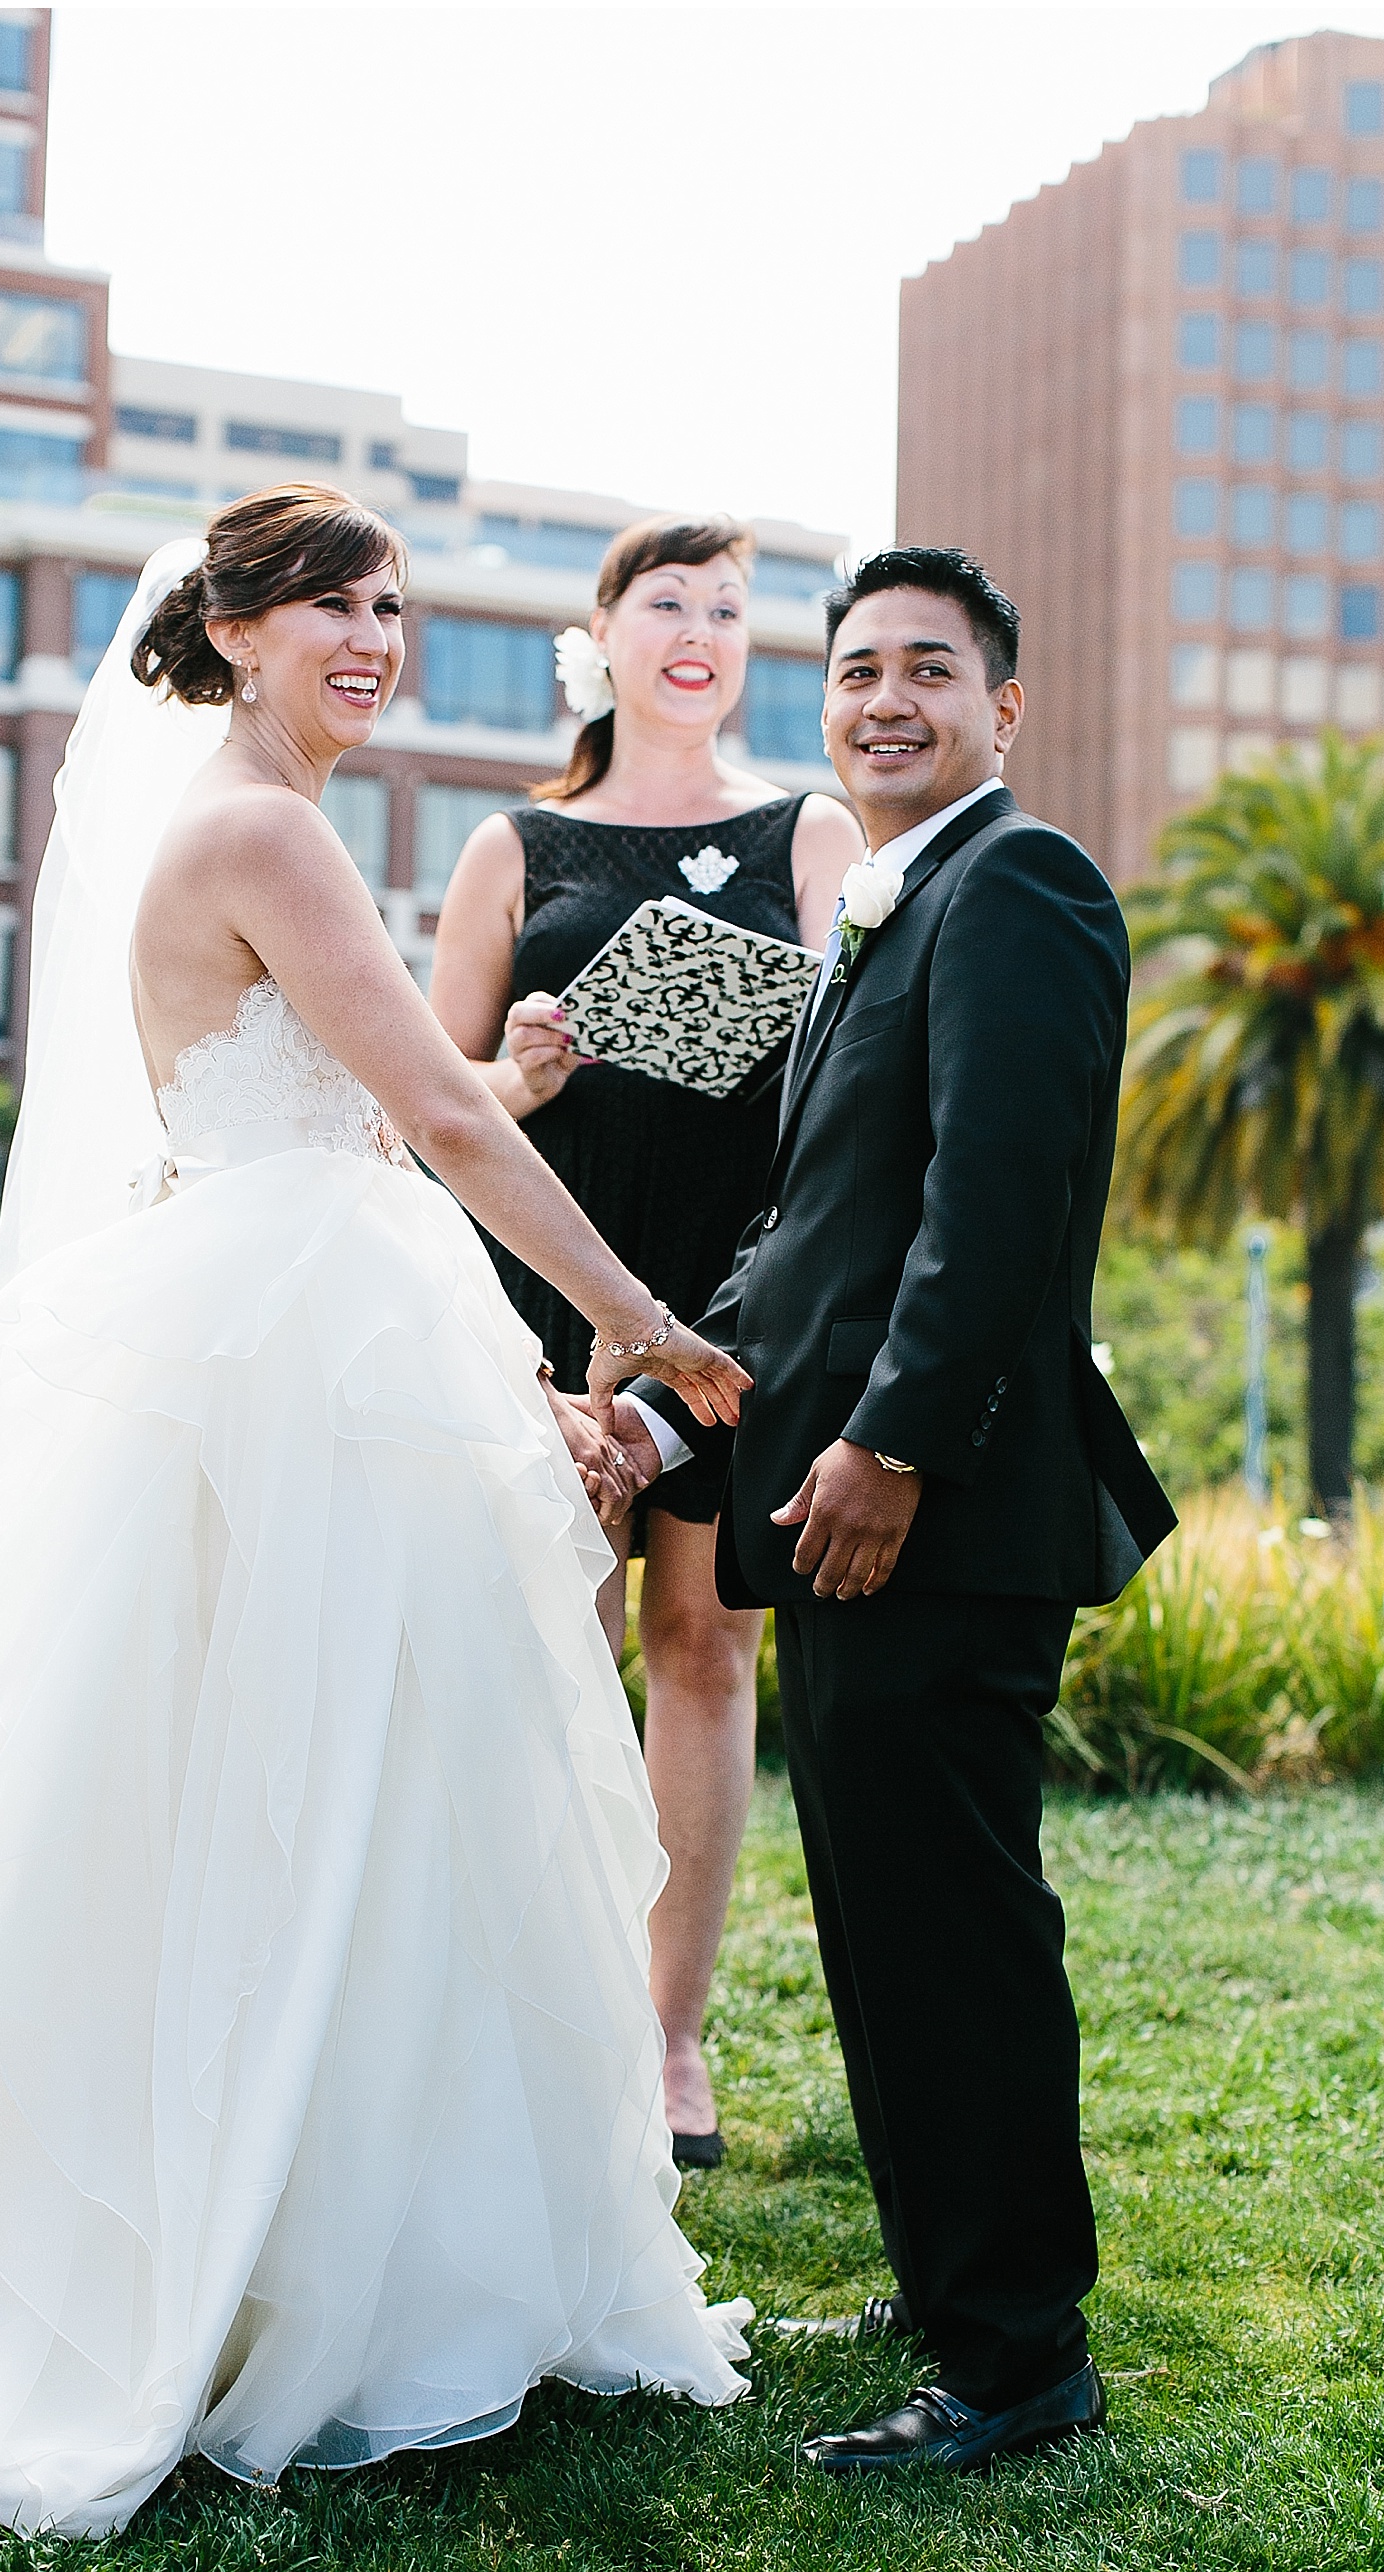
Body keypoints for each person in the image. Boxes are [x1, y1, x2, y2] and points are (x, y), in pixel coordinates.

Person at [0, 485, 758, 2572]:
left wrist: (503, 1081)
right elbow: (410, 1133)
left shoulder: (271, 826)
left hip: (305, 1318)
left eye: (397, 608)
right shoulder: (260, 826)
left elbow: (368, 1107)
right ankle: (283, 2259)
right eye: (334, 604)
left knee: (318, 1785)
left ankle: (305, 2235)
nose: (376, 633)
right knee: (324, 1782)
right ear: (234, 628)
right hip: (301, 1347)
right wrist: (638, 1323)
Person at [611, 545, 1178, 2478]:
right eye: (855, 671)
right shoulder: (889, 906)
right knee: (887, 1930)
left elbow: (997, 1211)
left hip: (932, 1509)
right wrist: (670, 1421)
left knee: (952, 1938)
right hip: (839, 1498)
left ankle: (1016, 2362)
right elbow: (810, 1250)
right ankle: (962, 2284)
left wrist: (896, 1443)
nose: (883, 701)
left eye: (929, 672)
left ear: (1002, 712)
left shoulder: (1018, 883)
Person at [428, 513, 863, 2170]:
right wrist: (520, 1069)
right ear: (598, 638)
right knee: (551, 1644)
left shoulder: (809, 829)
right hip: (543, 1295)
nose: (698, 629)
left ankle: (668, 2044)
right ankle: (525, 2021)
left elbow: (854, 1056)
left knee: (705, 1646)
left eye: (730, 609)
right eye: (665, 602)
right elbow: (424, 1096)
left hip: (733, 1301)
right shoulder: (511, 849)